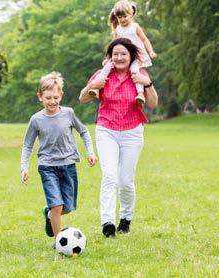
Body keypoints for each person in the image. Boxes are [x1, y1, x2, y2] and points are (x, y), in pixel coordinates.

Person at [79, 38, 158, 237]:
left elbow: (153, 104)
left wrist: (147, 84)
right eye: (115, 54)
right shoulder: (103, 74)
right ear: (110, 57)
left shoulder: (139, 74)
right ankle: (107, 222)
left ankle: (125, 219)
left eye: (123, 54)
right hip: (107, 130)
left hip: (132, 132)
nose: (119, 57)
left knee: (125, 180)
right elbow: (83, 98)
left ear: (130, 56)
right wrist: (94, 84)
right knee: (109, 176)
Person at [20, 72, 97, 248]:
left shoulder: (68, 113)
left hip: (68, 165)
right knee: (56, 205)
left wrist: (90, 153)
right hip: (47, 167)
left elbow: (84, 131)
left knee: (67, 207)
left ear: (61, 95)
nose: (52, 101)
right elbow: (27, 145)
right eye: (48, 97)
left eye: (56, 97)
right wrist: (24, 168)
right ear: (40, 96)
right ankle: (58, 242)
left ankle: (49, 215)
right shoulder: (36, 120)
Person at [88, 0, 156, 104]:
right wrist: (108, 58)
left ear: (131, 14)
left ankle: (140, 93)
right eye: (120, 17)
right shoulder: (118, 29)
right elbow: (113, 45)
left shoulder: (135, 27)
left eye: (125, 16)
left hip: (134, 56)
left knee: (135, 71)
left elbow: (144, 39)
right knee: (106, 68)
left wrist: (150, 51)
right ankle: (96, 88)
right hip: (120, 55)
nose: (122, 19)